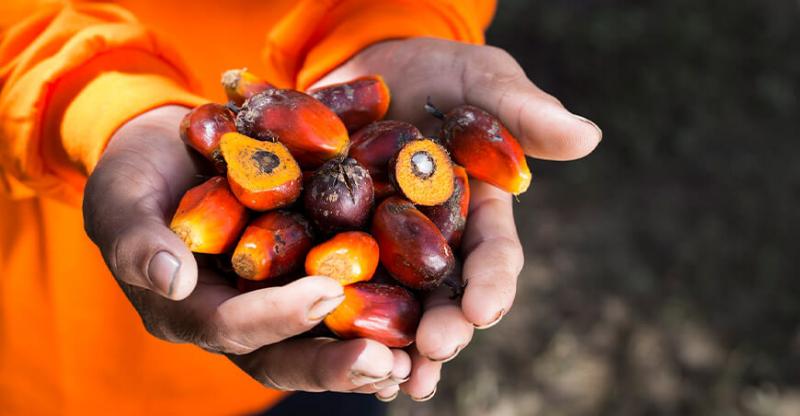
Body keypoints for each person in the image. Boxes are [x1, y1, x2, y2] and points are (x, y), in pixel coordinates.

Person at [0, 0, 601, 414]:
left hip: (321, 377)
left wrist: (397, 23)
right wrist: (90, 104)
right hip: (50, 351)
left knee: (353, 370)